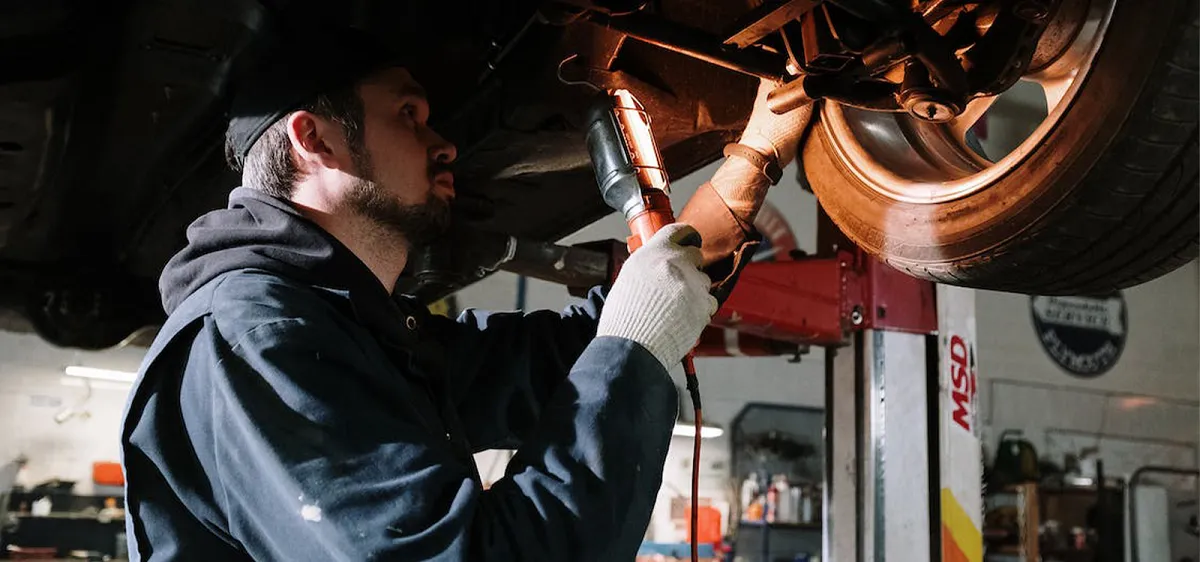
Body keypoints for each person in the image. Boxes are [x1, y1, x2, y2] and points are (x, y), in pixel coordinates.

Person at [120, 28, 809, 561]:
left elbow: (574, 356)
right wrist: (635, 346)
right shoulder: (253, 335)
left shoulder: (357, 334)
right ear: (313, 138)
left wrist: (752, 165)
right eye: (409, 116)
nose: (445, 144)